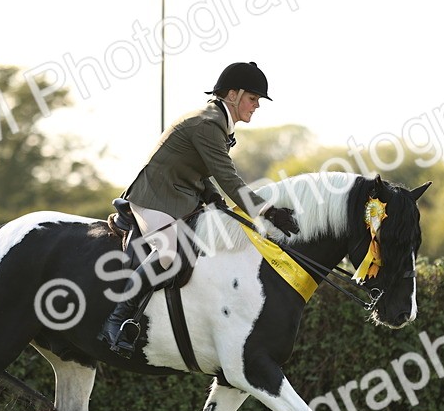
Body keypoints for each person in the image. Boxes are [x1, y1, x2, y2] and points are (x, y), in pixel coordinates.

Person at [99, 61, 300, 357]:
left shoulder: (217, 121)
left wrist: (213, 198)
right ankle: (117, 320)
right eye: (253, 98)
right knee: (169, 254)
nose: (256, 106)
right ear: (233, 94)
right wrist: (268, 212)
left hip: (181, 195)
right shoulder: (209, 123)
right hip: (155, 196)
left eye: (257, 101)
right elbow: (228, 178)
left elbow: (202, 170)